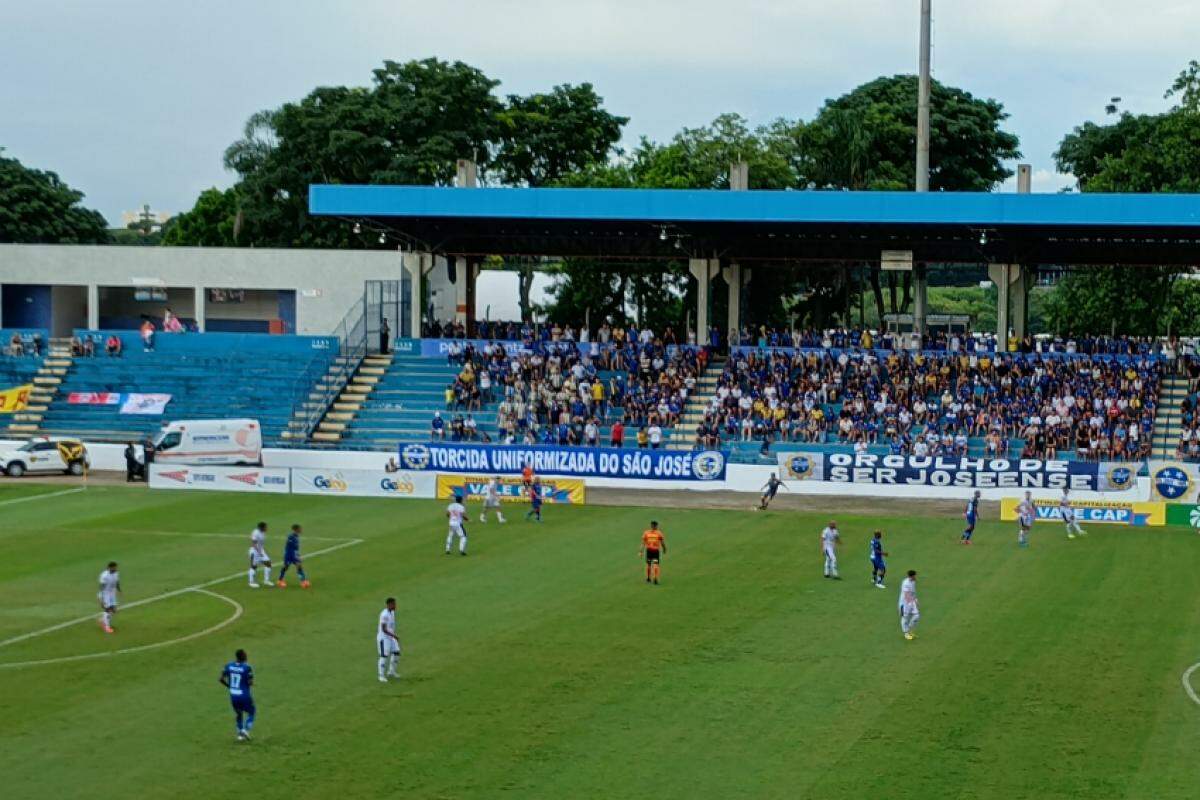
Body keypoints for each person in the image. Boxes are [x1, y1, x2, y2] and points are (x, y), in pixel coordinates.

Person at [219, 649, 257, 741]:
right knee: (252, 711)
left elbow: (221, 679)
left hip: (233, 695)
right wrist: (251, 683)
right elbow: (250, 682)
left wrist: (230, 686)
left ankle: (240, 734)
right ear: (243, 656)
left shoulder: (229, 665)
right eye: (245, 655)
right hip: (244, 695)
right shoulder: (247, 667)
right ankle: (246, 730)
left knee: (238, 713)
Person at [377, 598, 401, 683]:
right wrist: (395, 636)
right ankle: (381, 676)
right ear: (389, 605)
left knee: (397, 652)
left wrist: (393, 636)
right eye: (394, 604)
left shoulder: (392, 612)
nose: (395, 606)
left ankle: (391, 671)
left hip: (390, 637)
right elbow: (384, 629)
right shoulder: (384, 615)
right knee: (384, 656)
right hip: (384, 638)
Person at [640, 521, 667, 585]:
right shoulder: (659, 533)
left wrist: (641, 551)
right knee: (655, 564)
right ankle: (655, 578)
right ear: (656, 526)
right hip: (655, 551)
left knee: (648, 564)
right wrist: (664, 549)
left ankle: (648, 578)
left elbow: (643, 543)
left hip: (649, 550)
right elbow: (662, 543)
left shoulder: (646, 533)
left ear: (651, 526)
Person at [97, 561, 120, 634]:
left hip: (112, 593)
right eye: (114, 567)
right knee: (107, 609)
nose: (116, 568)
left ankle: (102, 620)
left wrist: (119, 590)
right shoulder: (104, 576)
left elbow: (117, 582)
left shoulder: (116, 573)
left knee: (114, 610)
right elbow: (101, 588)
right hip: (105, 593)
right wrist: (101, 599)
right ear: (110, 568)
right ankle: (107, 627)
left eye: (116, 567)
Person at [247, 522, 273, 589]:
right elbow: (254, 544)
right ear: (262, 527)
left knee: (268, 563)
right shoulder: (255, 533)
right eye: (266, 527)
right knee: (253, 566)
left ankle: (266, 580)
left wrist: (261, 551)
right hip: (254, 552)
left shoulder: (263, 532)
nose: (267, 528)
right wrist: (259, 552)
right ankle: (251, 582)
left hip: (261, 551)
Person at [899, 570, 920, 640]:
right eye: (915, 575)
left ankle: (909, 629)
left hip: (911, 601)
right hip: (904, 604)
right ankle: (906, 633)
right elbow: (906, 595)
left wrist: (915, 599)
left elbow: (913, 592)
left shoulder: (913, 582)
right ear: (912, 576)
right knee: (904, 618)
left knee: (917, 616)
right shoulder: (905, 583)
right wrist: (911, 603)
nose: (916, 577)